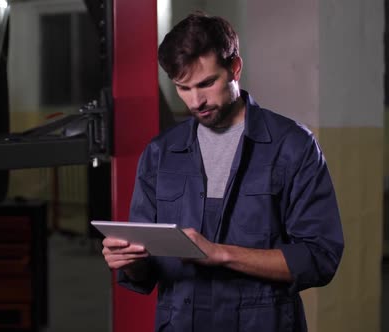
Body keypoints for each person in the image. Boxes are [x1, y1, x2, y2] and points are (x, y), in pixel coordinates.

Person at [101, 11, 344, 332]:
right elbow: (146, 269)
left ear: (235, 68)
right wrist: (128, 263)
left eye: (207, 83)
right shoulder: (161, 152)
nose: (196, 101)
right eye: (183, 88)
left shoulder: (292, 146)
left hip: (263, 323)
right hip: (181, 322)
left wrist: (218, 254)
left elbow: (318, 258)